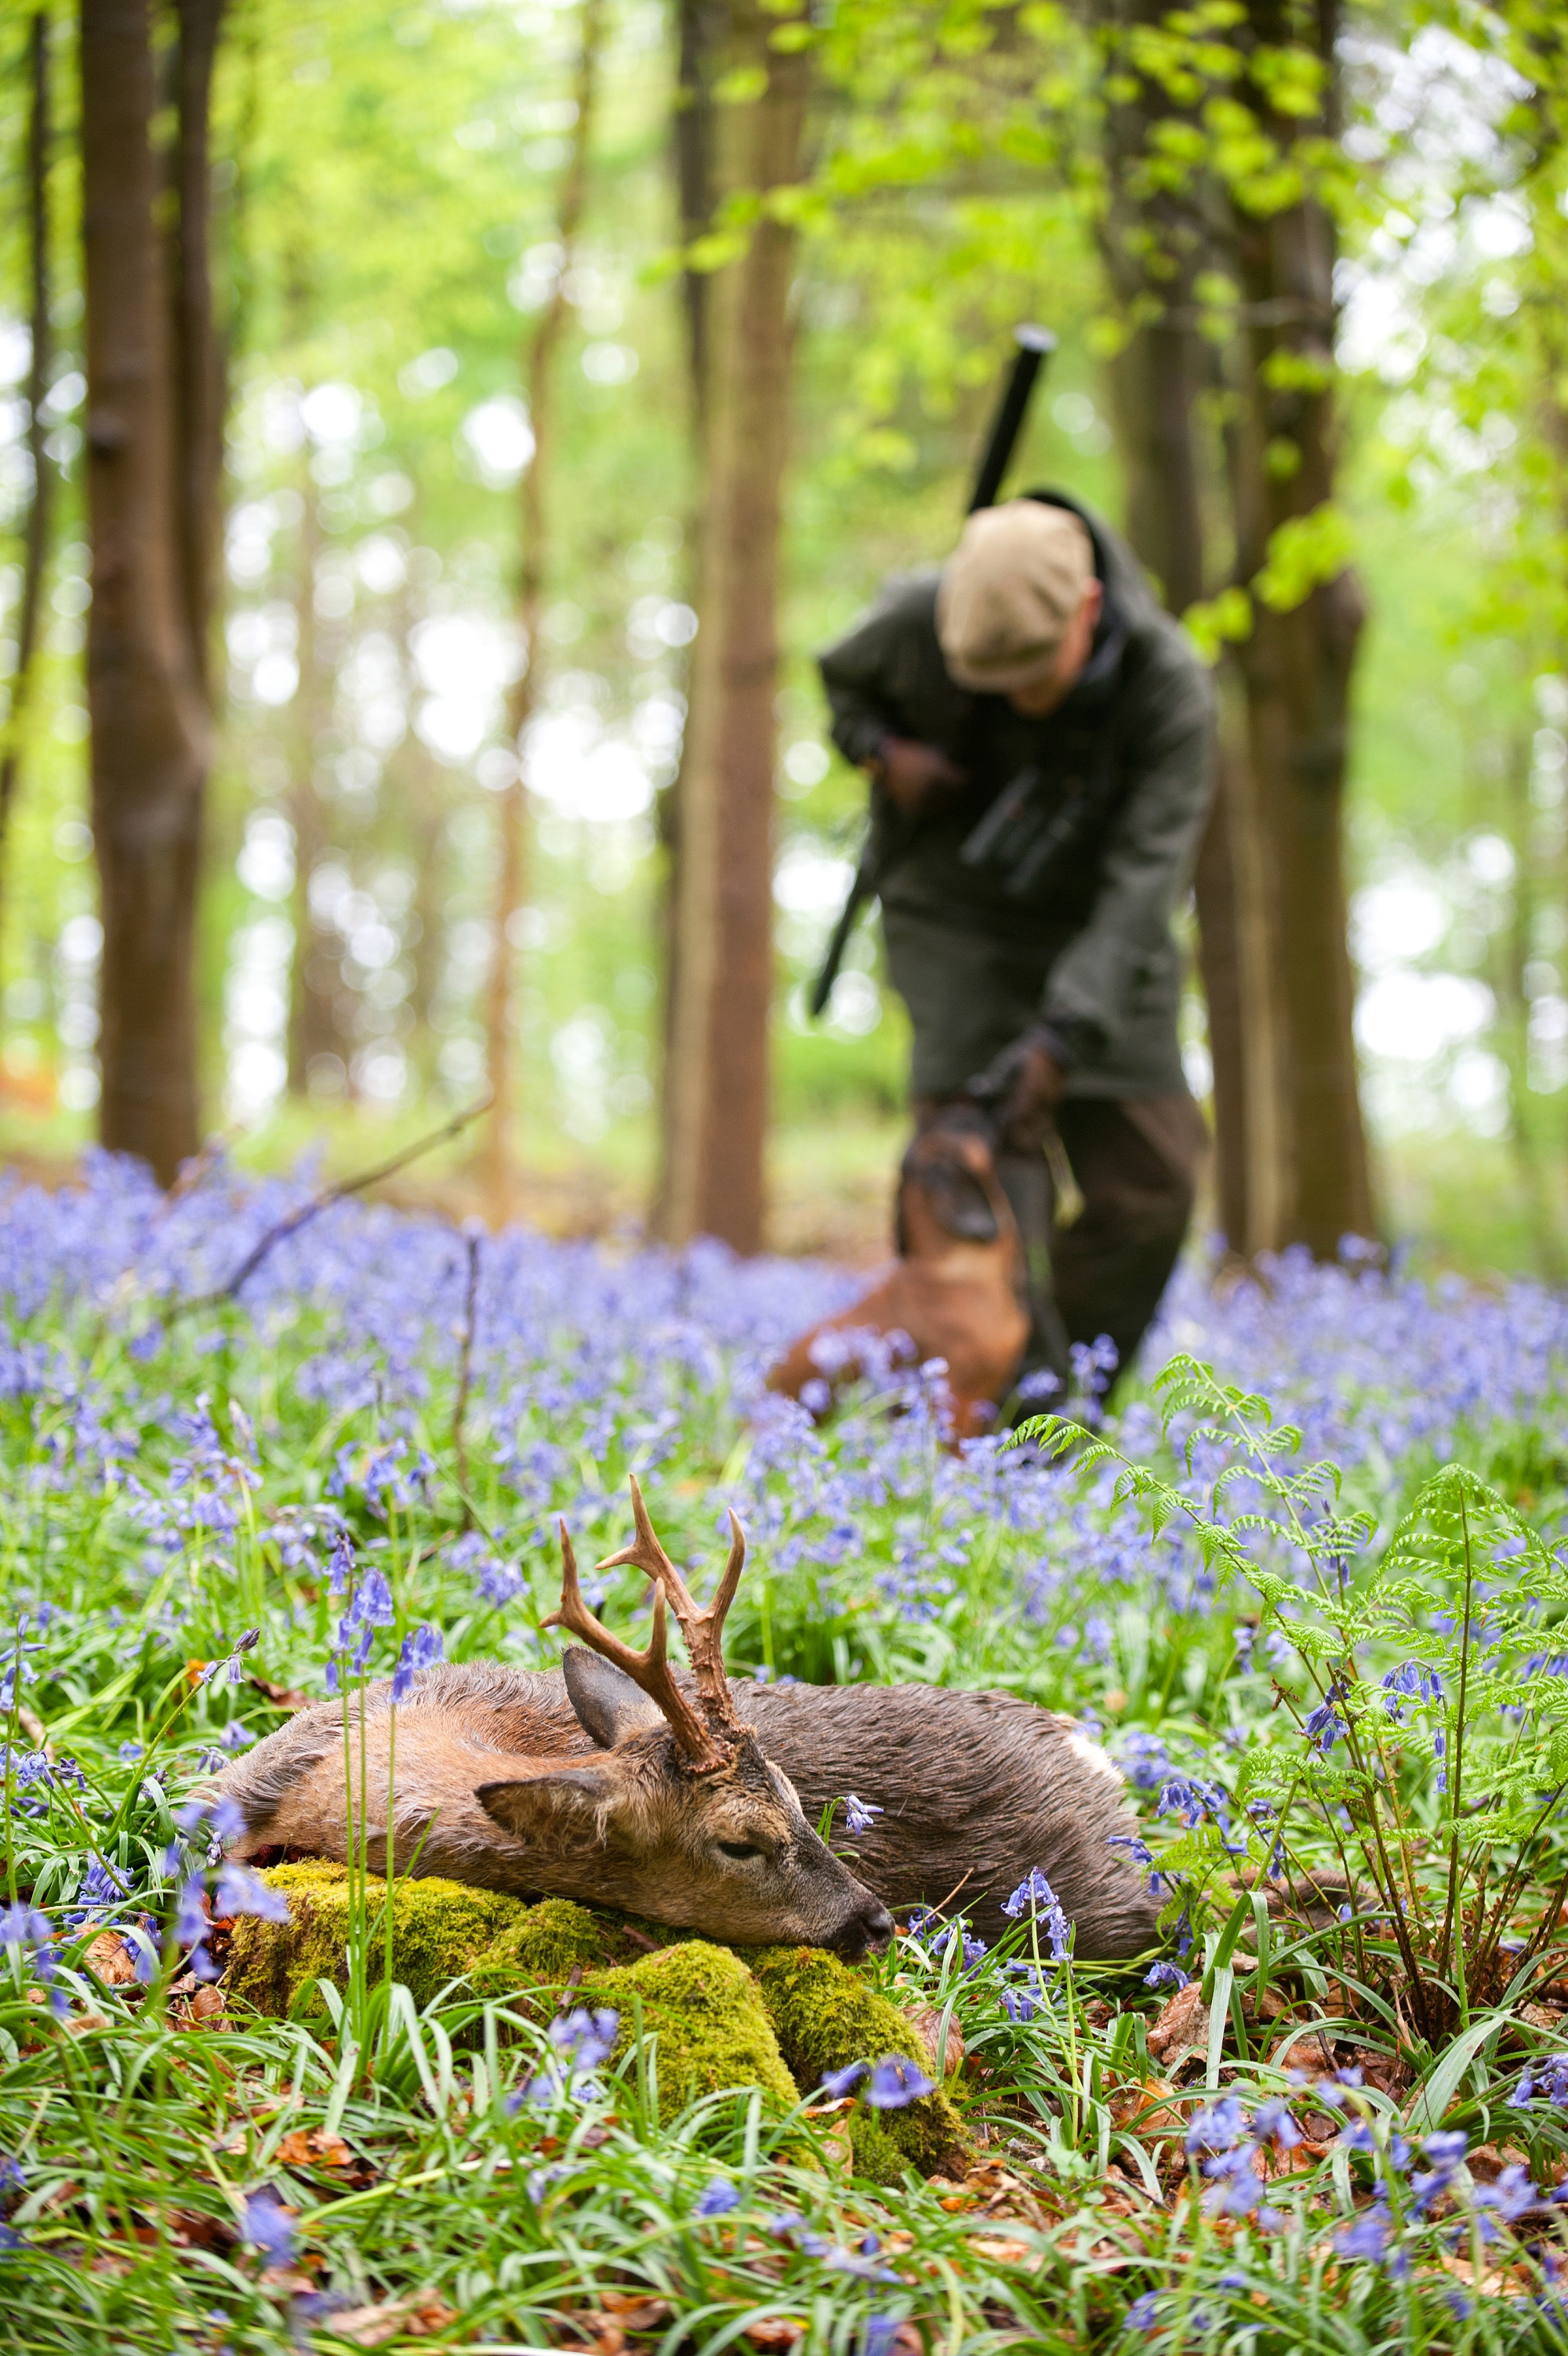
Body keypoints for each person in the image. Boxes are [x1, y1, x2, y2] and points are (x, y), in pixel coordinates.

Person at [815, 490, 1214, 1407]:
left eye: (1039, 670)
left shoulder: (1168, 687)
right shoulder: (917, 617)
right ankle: (981, 1419)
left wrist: (1065, 1030)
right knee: (979, 1175)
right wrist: (882, 751)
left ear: (1087, 609)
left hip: (1105, 924)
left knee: (1151, 1188)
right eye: (994, 679)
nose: (1019, 698)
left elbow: (1144, 882)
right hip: (954, 912)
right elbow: (840, 683)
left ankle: (1053, 1414)